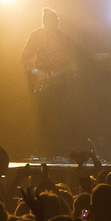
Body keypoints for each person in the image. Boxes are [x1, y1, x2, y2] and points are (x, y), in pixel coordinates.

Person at [20, 8, 82, 157]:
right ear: (44, 22)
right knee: (42, 117)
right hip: (40, 82)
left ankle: (58, 151)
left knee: (60, 116)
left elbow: (71, 61)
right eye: (49, 22)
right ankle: (41, 151)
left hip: (60, 82)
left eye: (54, 22)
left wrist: (72, 67)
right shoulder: (36, 35)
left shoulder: (64, 38)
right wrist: (37, 73)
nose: (52, 25)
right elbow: (25, 59)